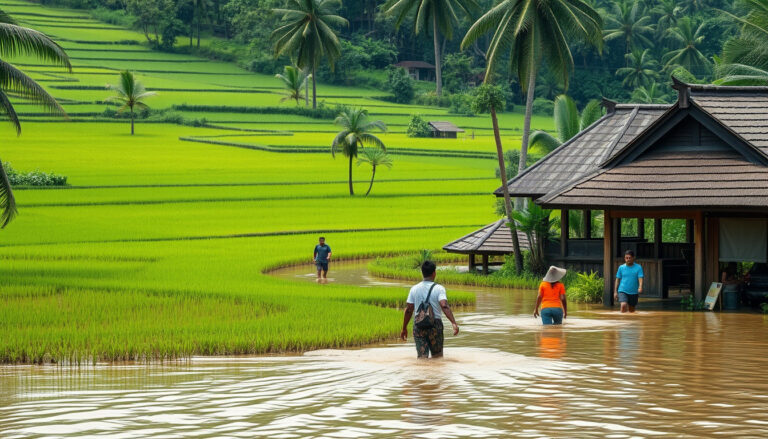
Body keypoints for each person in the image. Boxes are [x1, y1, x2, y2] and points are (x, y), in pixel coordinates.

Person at [401, 261, 459, 359]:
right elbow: (444, 305)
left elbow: (409, 310)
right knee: (438, 357)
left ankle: (423, 373)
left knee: (422, 358)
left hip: (419, 325)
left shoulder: (414, 289)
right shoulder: (439, 288)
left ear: (422, 273)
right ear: (434, 273)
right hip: (435, 325)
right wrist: (453, 323)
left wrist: (404, 328)